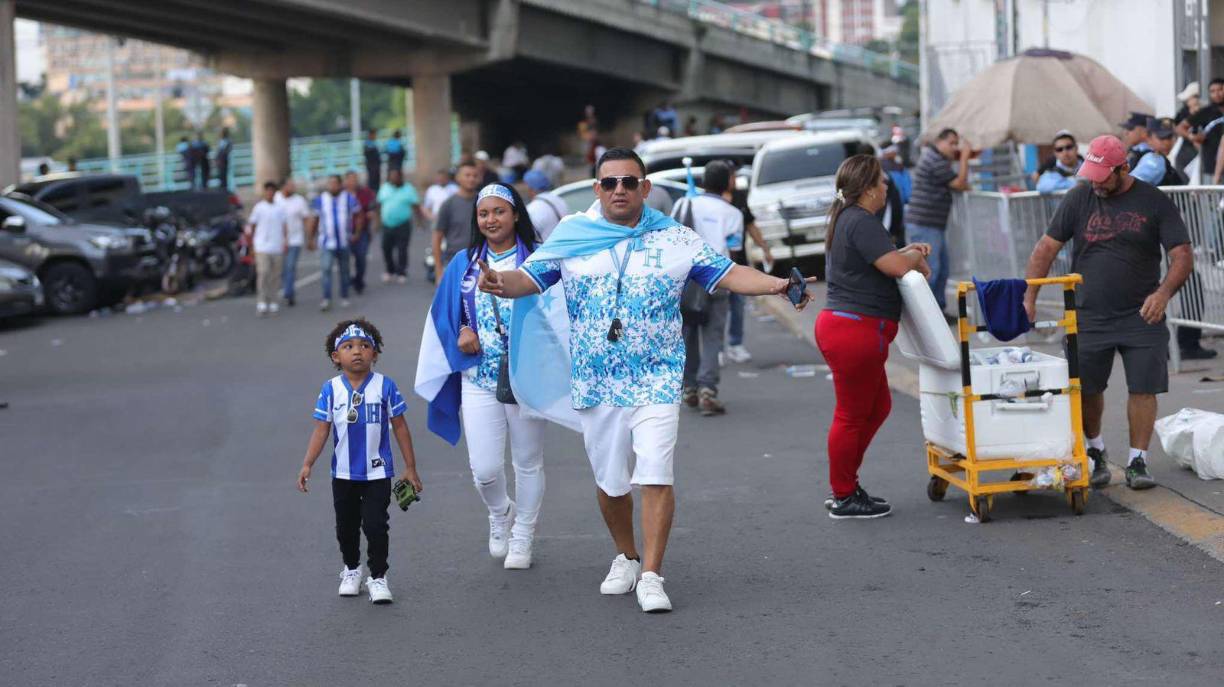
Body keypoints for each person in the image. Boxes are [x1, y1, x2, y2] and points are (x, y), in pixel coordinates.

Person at [477, 147, 806, 613]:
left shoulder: (675, 238)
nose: (619, 190)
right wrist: (499, 282)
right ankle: (625, 556)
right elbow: (529, 279)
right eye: (609, 182)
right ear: (597, 189)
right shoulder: (573, 234)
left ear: (645, 188)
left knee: (654, 471)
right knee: (611, 482)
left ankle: (652, 574)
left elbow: (728, 274)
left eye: (629, 182)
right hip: (597, 379)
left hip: (658, 375)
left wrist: (777, 284)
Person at [1023, 135, 1194, 491]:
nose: (1095, 182)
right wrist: (1029, 296)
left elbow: (1182, 255)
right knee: (1086, 388)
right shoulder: (1079, 197)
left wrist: (1163, 293)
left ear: (1123, 168)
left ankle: (1137, 461)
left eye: (1103, 175)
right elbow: (1046, 248)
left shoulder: (1153, 200)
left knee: (1143, 388)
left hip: (1141, 313)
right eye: (1091, 174)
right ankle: (1096, 451)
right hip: (1089, 313)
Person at [818, 154, 932, 519]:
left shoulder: (850, 219)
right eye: (882, 181)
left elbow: (885, 258)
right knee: (851, 415)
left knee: (877, 407)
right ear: (868, 190)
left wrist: (910, 252)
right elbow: (896, 266)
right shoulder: (861, 221)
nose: (887, 187)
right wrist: (913, 255)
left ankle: (846, 483)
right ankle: (844, 493)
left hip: (850, 328)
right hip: (853, 329)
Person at [298, 318, 422, 604]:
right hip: (343, 474)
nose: (357, 351)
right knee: (346, 526)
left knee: (376, 525)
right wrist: (308, 464)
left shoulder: (385, 387)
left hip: (378, 472)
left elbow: (400, 426)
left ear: (375, 354)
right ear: (336, 356)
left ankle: (378, 577)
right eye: (349, 346)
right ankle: (351, 569)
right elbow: (321, 429)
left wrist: (410, 467)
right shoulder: (330, 390)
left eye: (365, 346)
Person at [455, 183, 547, 569]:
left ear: (515, 216)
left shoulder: (540, 259)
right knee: (485, 470)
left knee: (527, 461)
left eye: (499, 212)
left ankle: (523, 535)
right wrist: (462, 330)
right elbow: (448, 315)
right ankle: (500, 513)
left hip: (527, 378)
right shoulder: (464, 263)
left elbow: (560, 314)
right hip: (478, 378)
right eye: (483, 214)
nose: (491, 220)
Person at [1138, 119, 1217, 361]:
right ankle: (1182, 343)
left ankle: (1173, 342)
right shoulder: (1152, 161)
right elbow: (1133, 186)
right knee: (1185, 280)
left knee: (1168, 283)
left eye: (1169, 137)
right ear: (1149, 138)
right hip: (1156, 234)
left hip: (1158, 234)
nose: (1167, 141)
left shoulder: (1153, 159)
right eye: (1161, 137)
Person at [670, 161, 742, 415]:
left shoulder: (683, 204)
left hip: (686, 280)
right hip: (718, 280)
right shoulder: (733, 213)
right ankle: (707, 390)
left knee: (687, 334)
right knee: (713, 336)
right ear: (728, 183)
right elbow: (734, 251)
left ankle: (688, 387)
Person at [906, 127, 972, 312]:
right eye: (951, 143)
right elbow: (960, 184)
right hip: (924, 225)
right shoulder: (934, 160)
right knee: (931, 271)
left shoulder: (937, 159)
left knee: (941, 270)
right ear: (939, 142)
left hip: (931, 225)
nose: (954, 148)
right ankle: (926, 314)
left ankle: (938, 311)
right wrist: (965, 157)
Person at [725, 163, 774, 363]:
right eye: (731, 176)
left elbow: (750, 224)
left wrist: (765, 248)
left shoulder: (739, 197)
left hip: (738, 263)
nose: (735, 180)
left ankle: (735, 344)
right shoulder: (708, 201)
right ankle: (717, 347)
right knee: (716, 311)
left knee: (737, 306)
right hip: (715, 266)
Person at [310, 175, 360, 311]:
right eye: (330, 183)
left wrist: (357, 232)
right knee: (326, 269)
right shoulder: (321, 200)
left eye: (334, 183)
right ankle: (326, 298)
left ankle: (344, 296)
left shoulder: (349, 198)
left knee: (344, 270)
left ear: (340, 184)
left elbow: (358, 215)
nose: (332, 186)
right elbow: (314, 219)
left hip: (344, 241)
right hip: (327, 243)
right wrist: (310, 238)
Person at [245, 181, 288, 317]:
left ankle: (273, 300)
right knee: (263, 273)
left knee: (275, 276)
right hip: (262, 246)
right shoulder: (259, 208)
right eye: (267, 191)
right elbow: (252, 226)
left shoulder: (280, 208)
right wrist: (251, 245)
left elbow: (284, 226)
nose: (270, 193)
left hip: (276, 246)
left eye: (272, 191)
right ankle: (262, 301)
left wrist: (285, 241)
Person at [432, 159, 481, 278]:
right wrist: (439, 270)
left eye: (475, 176)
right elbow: (437, 237)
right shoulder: (448, 204)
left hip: (481, 262)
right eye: (467, 175)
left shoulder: (484, 201)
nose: (471, 179)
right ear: (458, 178)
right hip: (455, 263)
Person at [377, 168, 419, 283]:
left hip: (403, 224)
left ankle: (402, 271)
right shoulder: (385, 188)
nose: (393, 178)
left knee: (402, 249)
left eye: (396, 176)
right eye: (391, 176)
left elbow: (416, 205)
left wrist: (420, 220)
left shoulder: (408, 189)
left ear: (401, 177)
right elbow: (379, 204)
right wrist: (376, 222)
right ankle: (390, 270)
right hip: (387, 224)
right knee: (386, 248)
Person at [1179, 78, 1224, 182]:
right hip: (1211, 166)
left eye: (1220, 89)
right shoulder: (1206, 112)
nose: (1217, 94)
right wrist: (1192, 137)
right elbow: (1180, 128)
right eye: (1213, 91)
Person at [276, 177, 312, 307]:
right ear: (283, 186)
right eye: (290, 185)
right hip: (278, 241)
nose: (293, 187)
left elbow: (306, 219)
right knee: (282, 269)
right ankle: (287, 288)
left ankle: (289, 292)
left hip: (295, 240)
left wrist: (310, 237)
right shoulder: (276, 199)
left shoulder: (299, 201)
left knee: (290, 267)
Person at [344, 171, 377, 296]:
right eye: (351, 179)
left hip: (362, 231)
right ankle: (347, 280)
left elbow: (373, 206)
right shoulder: (342, 194)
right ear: (346, 181)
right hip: (344, 232)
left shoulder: (365, 192)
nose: (354, 182)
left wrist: (371, 213)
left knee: (361, 257)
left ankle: (359, 280)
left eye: (355, 179)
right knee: (344, 259)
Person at [523, 170, 568, 242]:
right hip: (564, 246)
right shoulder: (559, 200)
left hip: (546, 250)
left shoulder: (532, 208)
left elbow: (528, 236)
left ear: (530, 188)